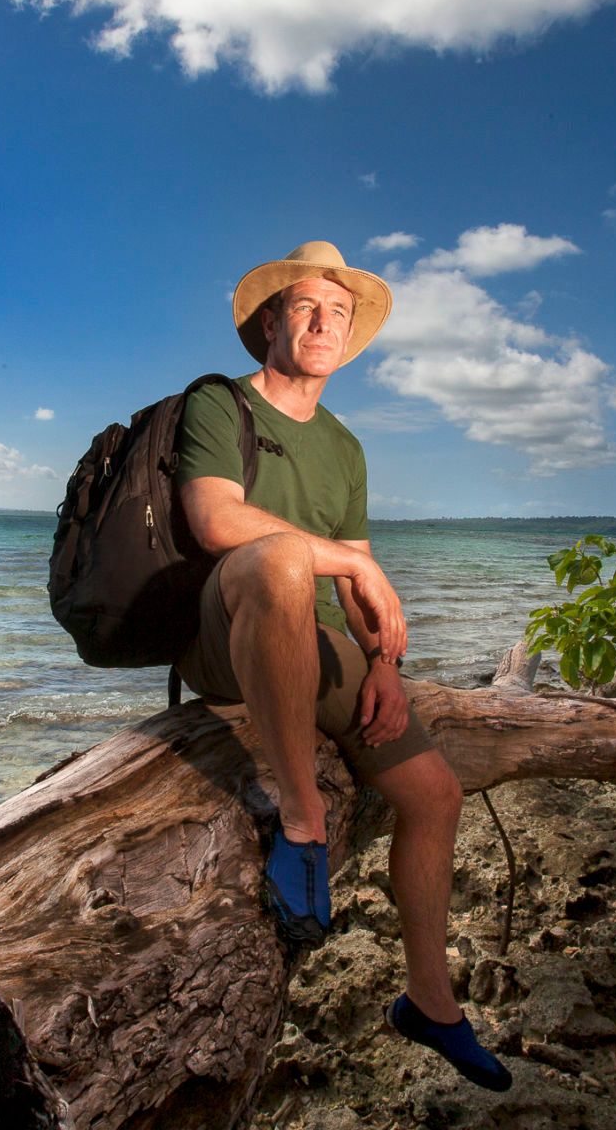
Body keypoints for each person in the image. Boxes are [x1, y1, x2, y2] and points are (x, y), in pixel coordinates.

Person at [173, 241, 512, 1092]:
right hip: (229, 623)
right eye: (306, 308)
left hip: (322, 643)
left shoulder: (347, 446)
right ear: (271, 324)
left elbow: (359, 565)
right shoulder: (219, 402)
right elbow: (216, 521)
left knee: (433, 795)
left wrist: (387, 666)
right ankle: (302, 822)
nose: (324, 324)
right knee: (283, 561)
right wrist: (351, 566)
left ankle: (430, 1005)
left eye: (339, 313)